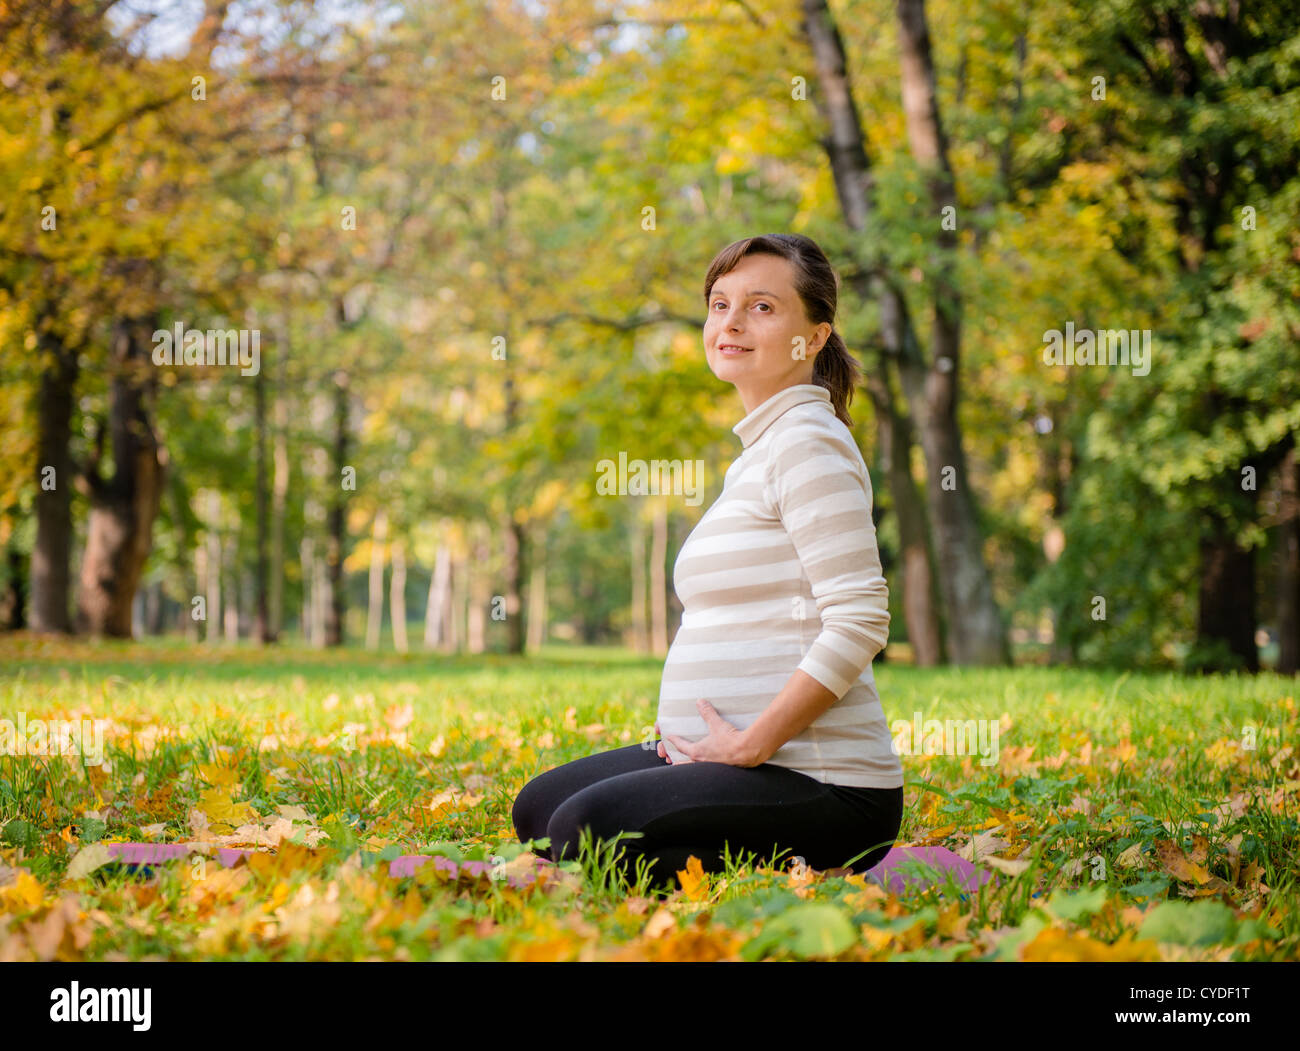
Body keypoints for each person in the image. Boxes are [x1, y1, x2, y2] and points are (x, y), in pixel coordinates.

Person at [512, 233, 905, 895]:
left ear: (812, 336)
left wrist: (749, 744)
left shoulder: (808, 442)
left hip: (827, 783)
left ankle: (779, 865)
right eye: (720, 304)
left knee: (583, 826)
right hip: (732, 762)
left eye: (761, 307)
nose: (731, 321)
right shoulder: (760, 449)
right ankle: (732, 857)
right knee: (539, 809)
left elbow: (861, 619)